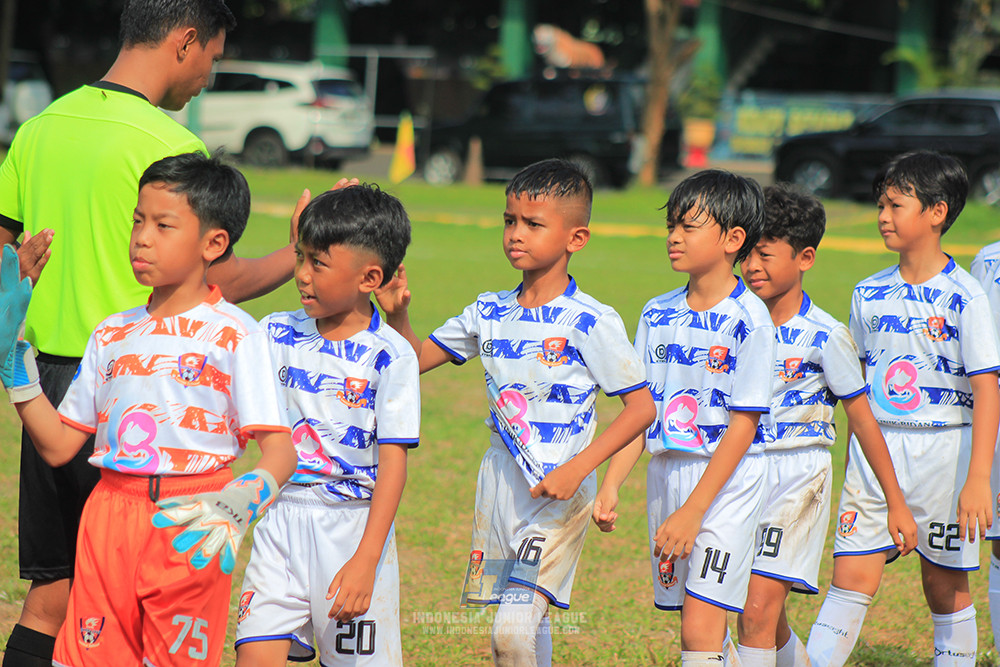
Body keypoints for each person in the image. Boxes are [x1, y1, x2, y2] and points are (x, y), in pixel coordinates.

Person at [0, 3, 315, 663]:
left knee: (52, 592)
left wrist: (15, 352)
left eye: (156, 224)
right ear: (187, 41)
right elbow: (215, 281)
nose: (206, 76)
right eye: (212, 57)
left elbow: (6, 259)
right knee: (107, 612)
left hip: (59, 378)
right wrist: (296, 255)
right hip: (135, 395)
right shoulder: (172, 149)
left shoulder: (37, 128)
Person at [376, 158, 655, 665]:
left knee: (511, 630)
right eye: (510, 221)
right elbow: (411, 362)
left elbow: (640, 410)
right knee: (525, 625)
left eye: (533, 224)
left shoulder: (590, 320)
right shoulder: (487, 310)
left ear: (577, 238)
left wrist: (579, 469)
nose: (515, 234)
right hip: (501, 485)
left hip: (561, 492)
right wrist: (397, 314)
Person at [805, 151, 1000, 666]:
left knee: (944, 583)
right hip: (877, 454)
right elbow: (857, 392)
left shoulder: (966, 297)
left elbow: (987, 389)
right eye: (880, 204)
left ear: (937, 212)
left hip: (945, 453)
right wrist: (854, 461)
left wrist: (978, 477)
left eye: (896, 204)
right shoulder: (867, 292)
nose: (883, 215)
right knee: (850, 577)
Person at [593, 169, 774, 667]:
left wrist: (694, 510)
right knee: (693, 620)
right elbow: (641, 410)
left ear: (733, 239)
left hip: (727, 480)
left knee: (700, 627)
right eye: (671, 225)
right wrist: (612, 484)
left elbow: (744, 426)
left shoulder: (751, 320)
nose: (673, 237)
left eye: (689, 226)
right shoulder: (656, 313)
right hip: (666, 472)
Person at [233, 184, 418, 666]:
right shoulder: (274, 332)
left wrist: (367, 560)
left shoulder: (391, 355)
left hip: (352, 532)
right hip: (279, 524)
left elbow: (394, 467)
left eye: (318, 263)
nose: (300, 276)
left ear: (369, 277)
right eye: (300, 258)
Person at [735, 183, 917, 667]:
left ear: (805, 257)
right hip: (735, 475)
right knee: (759, 619)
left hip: (795, 480)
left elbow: (864, 420)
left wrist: (895, 504)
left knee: (754, 613)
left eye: (766, 254)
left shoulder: (826, 336)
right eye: (746, 253)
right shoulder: (730, 325)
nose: (752, 266)